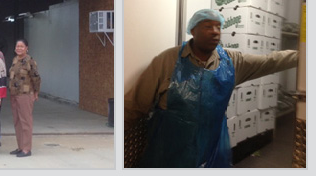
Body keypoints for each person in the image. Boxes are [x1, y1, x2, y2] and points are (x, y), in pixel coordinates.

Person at [123, 9, 298, 168]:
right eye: (208, 26)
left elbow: (271, 61)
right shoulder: (168, 60)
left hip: (212, 148)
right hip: (168, 149)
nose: (215, 31)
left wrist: (304, 55)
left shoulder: (231, 62)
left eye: (218, 27)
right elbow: (136, 103)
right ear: (193, 31)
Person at [8, 39, 41, 158]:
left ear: (27, 48)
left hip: (25, 94)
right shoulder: (15, 60)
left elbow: (36, 78)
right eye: (17, 46)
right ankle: (20, 146)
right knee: (17, 121)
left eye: (22, 46)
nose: (19, 48)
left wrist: (36, 92)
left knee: (25, 121)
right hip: (14, 94)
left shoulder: (30, 61)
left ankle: (27, 148)